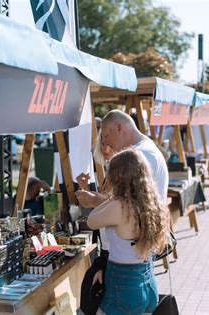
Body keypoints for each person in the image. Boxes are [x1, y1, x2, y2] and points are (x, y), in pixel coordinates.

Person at [87, 149, 169, 315]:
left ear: (117, 176)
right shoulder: (153, 203)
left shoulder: (120, 205)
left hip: (124, 286)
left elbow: (91, 220)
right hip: (147, 281)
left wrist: (111, 197)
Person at [76, 110, 169, 208]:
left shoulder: (139, 155)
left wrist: (95, 200)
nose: (107, 143)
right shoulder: (143, 149)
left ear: (119, 128)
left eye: (106, 136)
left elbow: (129, 206)